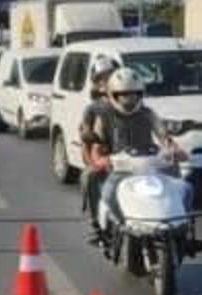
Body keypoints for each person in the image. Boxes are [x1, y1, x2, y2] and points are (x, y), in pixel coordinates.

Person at [80, 67, 185, 242]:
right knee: (95, 181)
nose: (129, 99)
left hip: (149, 164)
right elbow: (96, 146)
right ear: (113, 94)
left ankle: (181, 226)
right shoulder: (102, 115)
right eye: (124, 95)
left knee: (182, 186)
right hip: (118, 167)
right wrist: (99, 160)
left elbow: (163, 136)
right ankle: (98, 225)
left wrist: (175, 150)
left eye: (134, 94)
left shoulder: (148, 113)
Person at [79, 56, 120, 240]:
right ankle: (97, 223)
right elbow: (86, 142)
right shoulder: (93, 109)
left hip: (134, 159)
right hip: (105, 160)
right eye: (102, 78)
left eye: (110, 76)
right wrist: (93, 163)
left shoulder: (135, 101)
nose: (106, 81)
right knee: (89, 177)